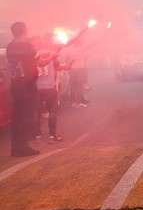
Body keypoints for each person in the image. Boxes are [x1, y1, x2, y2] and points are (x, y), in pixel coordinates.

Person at [6, 22, 58, 157]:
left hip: (15, 85)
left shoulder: (9, 47)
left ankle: (15, 147)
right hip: (27, 86)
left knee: (17, 117)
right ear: (24, 31)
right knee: (26, 117)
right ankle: (23, 147)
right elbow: (41, 62)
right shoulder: (27, 47)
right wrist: (52, 56)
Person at [34, 33, 70, 144]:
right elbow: (57, 65)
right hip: (49, 86)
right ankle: (52, 136)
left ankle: (38, 136)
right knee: (52, 111)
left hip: (37, 87)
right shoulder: (52, 53)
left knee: (36, 112)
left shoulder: (33, 54)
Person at [63, 38, 89, 109]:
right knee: (80, 86)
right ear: (79, 42)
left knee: (73, 86)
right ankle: (78, 103)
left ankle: (72, 103)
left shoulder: (69, 50)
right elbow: (86, 57)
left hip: (72, 69)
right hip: (80, 69)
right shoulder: (82, 48)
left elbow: (66, 59)